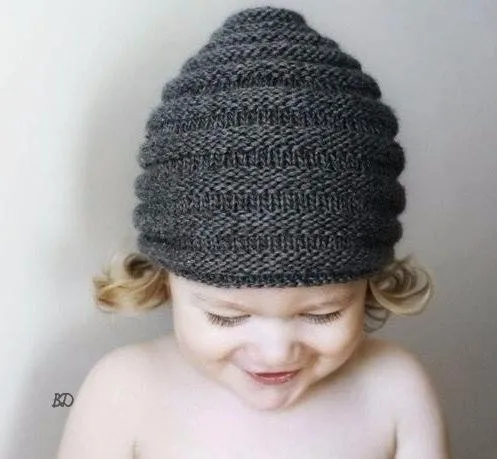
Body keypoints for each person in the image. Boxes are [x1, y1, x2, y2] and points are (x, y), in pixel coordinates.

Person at [57, 6, 450, 459]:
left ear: (370, 285)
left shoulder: (396, 390)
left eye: (323, 314)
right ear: (163, 280)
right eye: (226, 317)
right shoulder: (122, 393)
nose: (276, 353)